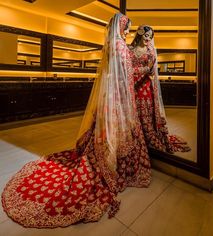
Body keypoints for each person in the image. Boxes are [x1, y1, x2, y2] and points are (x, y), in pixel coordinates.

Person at [1, 13, 151, 228]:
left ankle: (105, 155)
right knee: (113, 130)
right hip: (117, 96)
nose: (127, 32)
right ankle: (112, 164)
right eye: (127, 27)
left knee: (104, 130)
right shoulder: (120, 46)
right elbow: (124, 75)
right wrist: (144, 71)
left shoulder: (112, 44)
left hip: (111, 96)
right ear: (121, 26)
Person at [129, 25, 190, 153]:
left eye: (150, 37)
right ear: (139, 34)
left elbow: (151, 71)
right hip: (130, 85)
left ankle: (146, 138)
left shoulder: (150, 51)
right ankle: (132, 138)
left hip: (144, 86)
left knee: (144, 112)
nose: (148, 39)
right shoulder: (130, 49)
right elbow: (125, 66)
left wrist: (137, 71)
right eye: (146, 35)